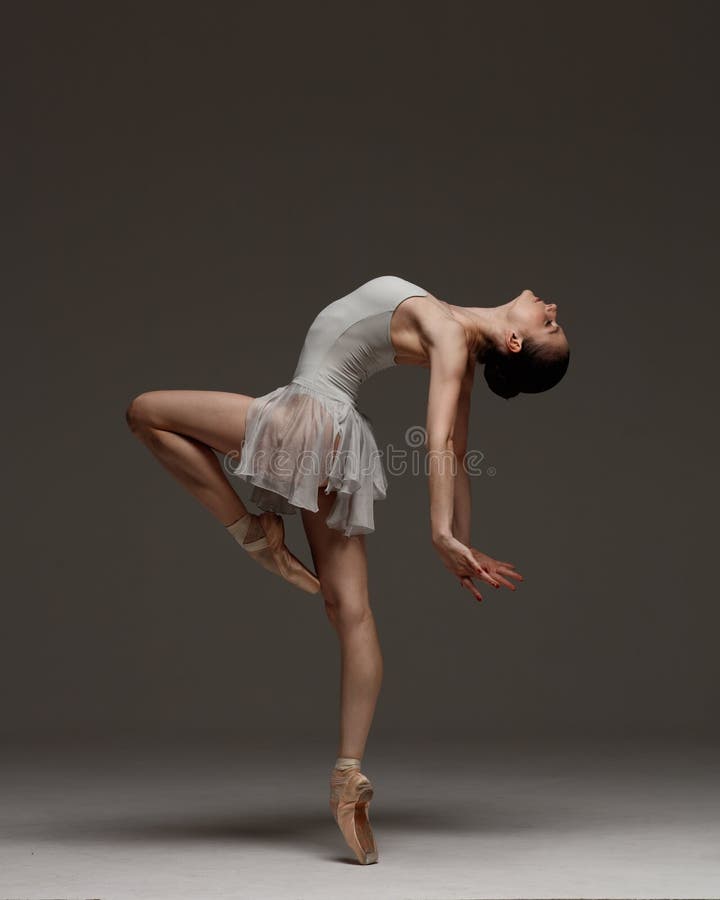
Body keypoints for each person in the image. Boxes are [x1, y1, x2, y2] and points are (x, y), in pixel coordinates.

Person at [125, 274, 570, 864]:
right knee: (350, 612)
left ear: (515, 343)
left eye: (549, 325)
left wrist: (443, 536)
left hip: (310, 413)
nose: (552, 309)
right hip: (336, 439)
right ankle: (347, 777)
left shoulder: (445, 330)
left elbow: (439, 442)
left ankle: (251, 529)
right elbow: (458, 454)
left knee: (146, 412)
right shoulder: (456, 336)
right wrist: (464, 540)